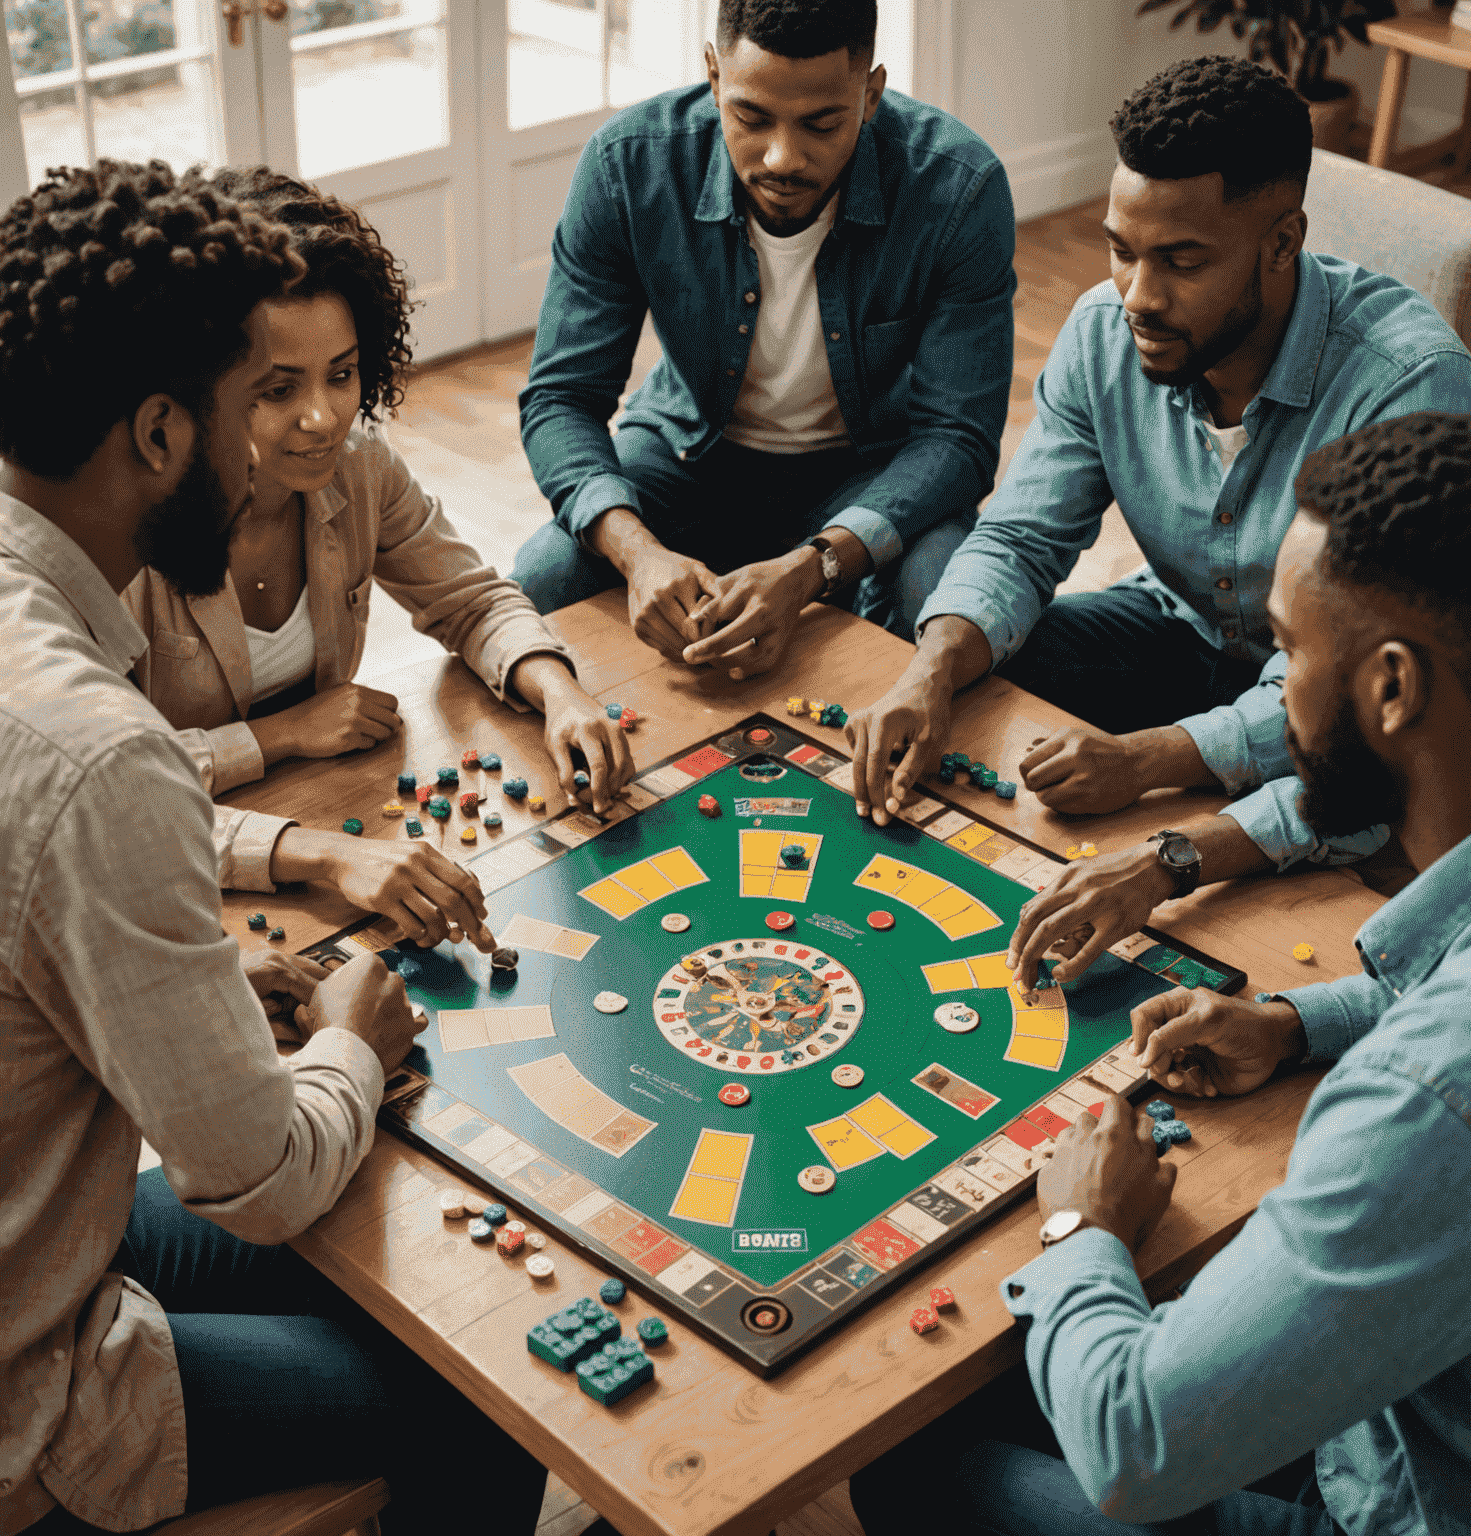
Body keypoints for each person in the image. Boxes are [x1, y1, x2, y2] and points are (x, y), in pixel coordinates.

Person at [849, 411, 1471, 1536]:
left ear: (1395, 691)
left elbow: (1135, 1450)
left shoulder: (1432, 1101)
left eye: (1290, 651)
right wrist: (1291, 1020)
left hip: (1413, 1504)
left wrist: (1087, 1229)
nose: (1279, 685)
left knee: (911, 1463)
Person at [0, 161, 545, 1534]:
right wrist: (355, 1030)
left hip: (40, 1215)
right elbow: (261, 1181)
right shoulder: (100, 754)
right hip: (35, 1387)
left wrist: (181, 1000)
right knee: (488, 1380)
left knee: (400, 1264)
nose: (281, 445)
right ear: (166, 431)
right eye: (256, 401)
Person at [844, 55, 1471, 989]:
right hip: (1178, 626)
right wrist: (930, 669)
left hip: (1330, 694)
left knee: (1361, 782)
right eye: (1121, 249)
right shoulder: (1106, 329)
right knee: (940, 644)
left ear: (1282, 241)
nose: (1137, 296)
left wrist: (1149, 761)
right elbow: (1021, 538)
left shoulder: (1409, 381)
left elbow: (1356, 702)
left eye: (1182, 260)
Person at [118, 168, 633, 943]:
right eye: (276, 388)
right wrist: (280, 736)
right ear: (199, 387)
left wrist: (562, 693)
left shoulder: (358, 465)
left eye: (343, 373)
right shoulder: (123, 527)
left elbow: (472, 599)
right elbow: (104, 794)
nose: (323, 417)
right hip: (169, 873)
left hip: (321, 808)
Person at [511, 0, 1017, 675]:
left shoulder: (958, 188)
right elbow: (561, 398)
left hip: (871, 469)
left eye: (821, 123)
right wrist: (638, 552)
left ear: (870, 94)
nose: (783, 157)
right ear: (715, 77)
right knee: (544, 577)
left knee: (945, 598)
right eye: (751, 118)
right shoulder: (628, 165)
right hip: (687, 451)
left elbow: (960, 439)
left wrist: (815, 567)